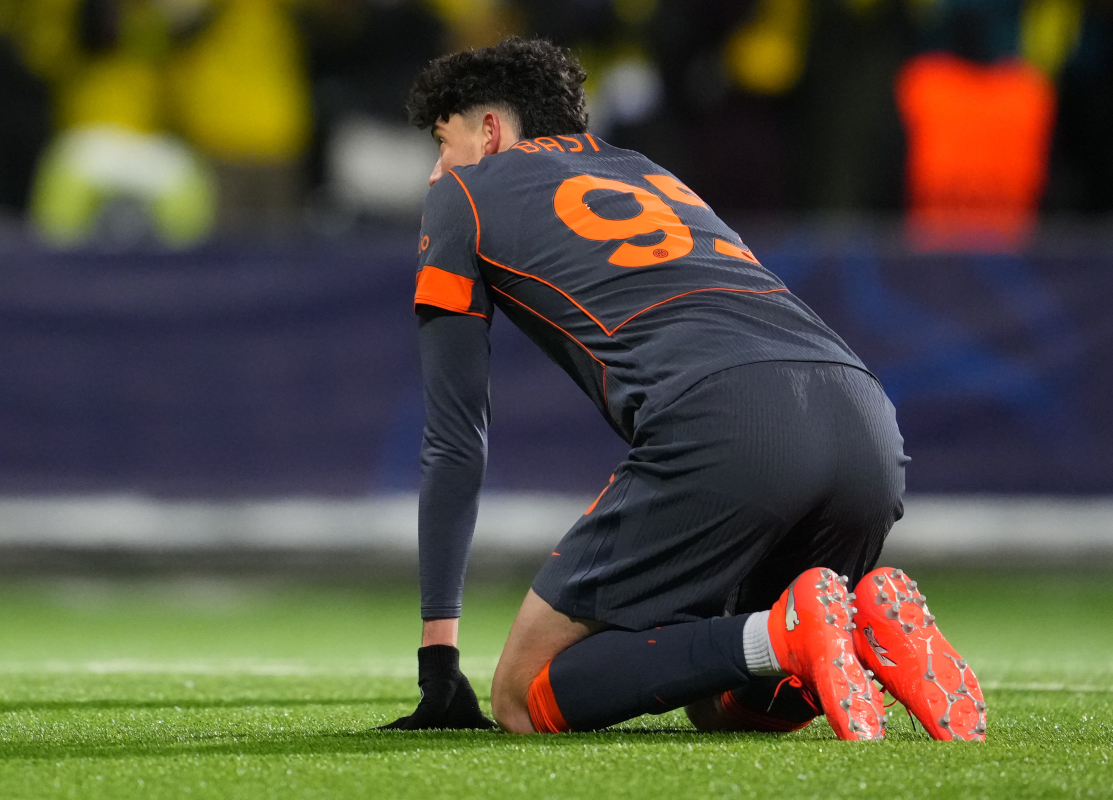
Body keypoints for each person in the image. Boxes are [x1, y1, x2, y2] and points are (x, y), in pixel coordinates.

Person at [379, 37, 985, 741]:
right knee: (721, 698)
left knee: (523, 696)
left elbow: (455, 440)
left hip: (725, 423)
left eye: (442, 140)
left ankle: (790, 634)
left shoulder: (463, 194)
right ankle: (855, 626)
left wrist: (439, 660)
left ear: (490, 131)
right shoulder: (648, 172)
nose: (435, 168)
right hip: (865, 422)